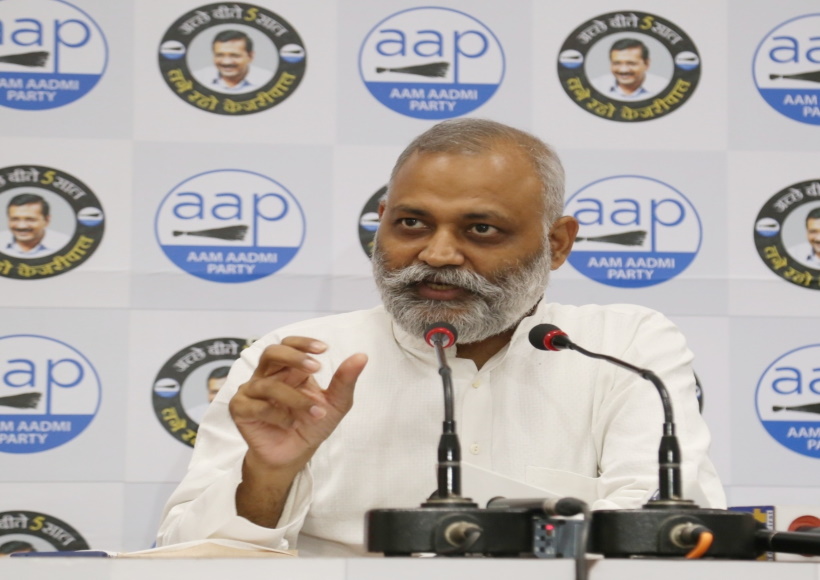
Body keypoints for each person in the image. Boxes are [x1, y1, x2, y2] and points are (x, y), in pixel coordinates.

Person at [156, 118, 725, 556]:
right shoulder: (300, 364)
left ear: (557, 243)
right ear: (382, 220)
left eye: (481, 229)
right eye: (412, 223)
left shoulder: (623, 347)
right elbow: (183, 556)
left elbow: (677, 536)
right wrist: (269, 476)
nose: (438, 254)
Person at [194, 30, 272, 93]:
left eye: (234, 55)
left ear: (250, 56)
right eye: (220, 55)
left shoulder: (269, 81)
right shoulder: (197, 79)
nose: (226, 62)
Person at [592, 38, 668, 101]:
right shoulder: (595, 87)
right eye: (617, 63)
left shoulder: (664, 88)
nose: (623, 70)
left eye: (631, 63)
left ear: (646, 64)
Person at [1, 193, 70, 258]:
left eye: (30, 219)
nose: (22, 226)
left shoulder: (66, 245)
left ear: (47, 220)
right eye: (15, 219)